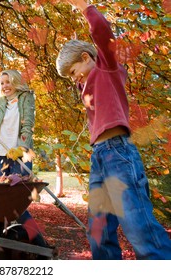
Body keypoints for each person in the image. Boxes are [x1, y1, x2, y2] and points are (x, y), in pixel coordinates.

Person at [56, 0, 171, 259]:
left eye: (75, 72)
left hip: (118, 154)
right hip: (100, 158)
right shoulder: (86, 87)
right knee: (98, 231)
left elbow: (103, 35)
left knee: (138, 227)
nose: (75, 79)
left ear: (87, 57)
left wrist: (86, 9)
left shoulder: (107, 68)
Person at [0, 69, 51, 259]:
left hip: (19, 156)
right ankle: (2, 254)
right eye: (2, 83)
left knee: (18, 207)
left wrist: (22, 148)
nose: (5, 86)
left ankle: (41, 247)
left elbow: (28, 127)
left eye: (8, 82)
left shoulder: (26, 98)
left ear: (15, 82)